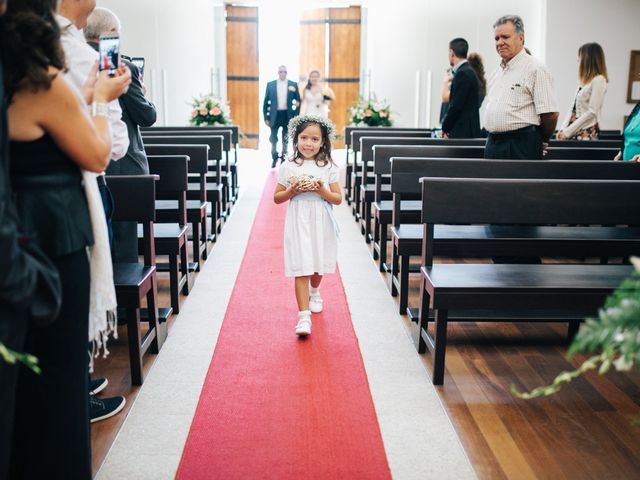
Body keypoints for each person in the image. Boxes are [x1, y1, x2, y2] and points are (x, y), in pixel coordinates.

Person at [3, 0, 130, 476]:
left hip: (16, 228)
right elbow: (100, 153)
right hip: (52, 234)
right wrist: (100, 96)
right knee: (56, 385)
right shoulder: (37, 78)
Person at [86, 7, 157, 263]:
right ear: (112, 34)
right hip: (123, 164)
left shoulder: (73, 59)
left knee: (100, 242)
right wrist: (141, 93)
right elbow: (147, 117)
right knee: (125, 239)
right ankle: (127, 302)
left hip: (87, 162)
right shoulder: (120, 65)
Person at [273, 115, 342, 336]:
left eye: (314, 139)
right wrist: (292, 191)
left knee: (317, 264)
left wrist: (321, 190)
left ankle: (315, 291)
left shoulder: (328, 166)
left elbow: (337, 198)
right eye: (304, 138)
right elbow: (277, 198)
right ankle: (304, 318)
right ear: (295, 139)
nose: (308, 143)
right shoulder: (289, 166)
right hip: (298, 218)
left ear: (323, 142)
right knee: (301, 265)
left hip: (320, 217)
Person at [483, 15, 559, 159]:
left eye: (505, 37)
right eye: (496, 38)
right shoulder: (496, 73)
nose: (500, 42)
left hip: (520, 144)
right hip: (493, 143)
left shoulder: (535, 69)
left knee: (518, 182)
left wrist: (541, 140)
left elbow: (550, 115)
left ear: (521, 38)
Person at [556, 42, 608, 141]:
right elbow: (572, 109)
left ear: (588, 59)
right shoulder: (583, 82)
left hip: (586, 132)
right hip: (573, 130)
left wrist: (567, 132)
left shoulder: (599, 80)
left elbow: (592, 112)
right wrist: (562, 129)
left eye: (580, 57)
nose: (577, 60)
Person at [441, 38, 481, 138]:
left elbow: (456, 106)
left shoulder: (462, 73)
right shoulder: (468, 71)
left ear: (451, 53)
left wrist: (445, 127)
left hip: (463, 133)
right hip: (467, 131)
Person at [263, 65, 301, 168]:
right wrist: (266, 118)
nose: (283, 73)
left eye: (284, 72)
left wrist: (295, 115)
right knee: (273, 138)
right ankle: (274, 157)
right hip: (274, 115)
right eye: (281, 72)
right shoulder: (270, 85)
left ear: (287, 73)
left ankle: (284, 157)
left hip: (287, 115)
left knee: (285, 137)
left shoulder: (293, 84)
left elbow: (298, 101)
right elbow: (266, 102)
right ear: (278, 73)